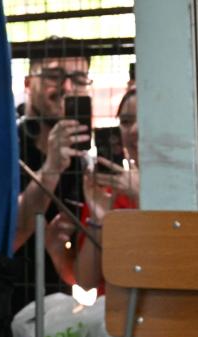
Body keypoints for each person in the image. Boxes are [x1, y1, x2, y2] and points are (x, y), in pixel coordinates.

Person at [14, 36, 92, 302]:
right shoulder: (6, 146)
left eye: (79, 79)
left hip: (58, 313)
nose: (67, 87)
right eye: (54, 76)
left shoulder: (81, 161)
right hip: (5, 307)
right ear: (28, 83)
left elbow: (83, 278)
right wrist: (52, 167)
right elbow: (9, 236)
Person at [75, 89, 139, 290]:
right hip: (114, 313)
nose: (134, 130)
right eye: (126, 121)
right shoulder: (109, 192)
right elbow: (85, 281)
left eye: (145, 118)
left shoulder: (188, 186)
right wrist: (98, 220)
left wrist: (142, 195)